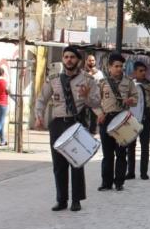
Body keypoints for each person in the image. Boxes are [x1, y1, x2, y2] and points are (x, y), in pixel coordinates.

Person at [35, 46, 101, 212]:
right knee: (58, 164)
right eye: (66, 57)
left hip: (76, 123)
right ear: (63, 59)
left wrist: (86, 96)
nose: (69, 60)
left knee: (76, 163)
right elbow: (42, 99)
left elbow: (96, 103)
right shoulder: (54, 79)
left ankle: (76, 200)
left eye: (72, 57)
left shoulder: (87, 80)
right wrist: (39, 115)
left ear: (78, 60)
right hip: (58, 123)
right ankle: (61, 200)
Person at [97, 53, 138, 192]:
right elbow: (96, 101)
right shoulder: (103, 83)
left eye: (121, 66)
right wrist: (100, 114)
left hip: (122, 119)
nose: (119, 69)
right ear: (109, 67)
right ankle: (106, 182)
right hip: (107, 118)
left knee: (121, 152)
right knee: (107, 154)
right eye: (116, 66)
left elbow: (135, 97)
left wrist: (131, 100)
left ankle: (119, 182)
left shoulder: (129, 82)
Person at [126, 61, 150, 180]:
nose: (143, 73)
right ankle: (130, 172)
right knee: (131, 146)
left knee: (145, 146)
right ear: (135, 72)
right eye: (140, 71)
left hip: (146, 117)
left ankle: (143, 172)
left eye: (145, 71)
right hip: (132, 118)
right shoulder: (130, 84)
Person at [84, 54, 104, 134]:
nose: (91, 62)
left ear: (95, 62)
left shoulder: (99, 74)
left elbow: (103, 86)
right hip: (84, 101)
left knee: (93, 123)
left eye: (93, 60)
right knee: (84, 121)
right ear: (86, 61)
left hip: (95, 101)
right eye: (89, 60)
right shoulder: (82, 73)